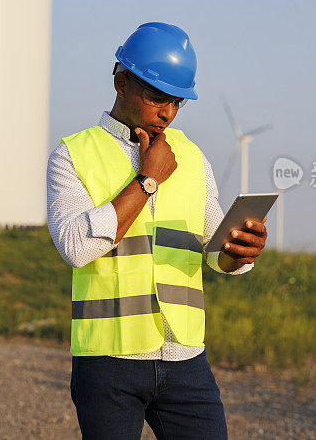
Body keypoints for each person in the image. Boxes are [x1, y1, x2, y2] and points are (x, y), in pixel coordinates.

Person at [46, 22, 268, 439]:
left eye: (178, 102)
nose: (167, 112)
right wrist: (146, 182)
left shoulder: (192, 157)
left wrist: (236, 255)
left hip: (186, 360)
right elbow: (75, 247)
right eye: (156, 97)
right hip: (108, 361)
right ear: (121, 83)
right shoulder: (72, 154)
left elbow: (209, 249)